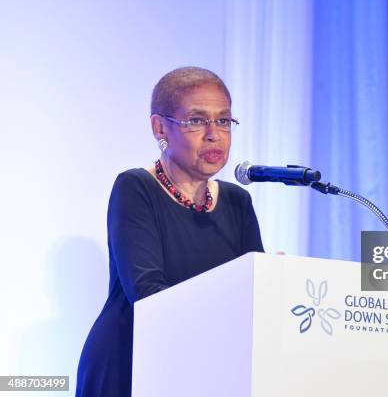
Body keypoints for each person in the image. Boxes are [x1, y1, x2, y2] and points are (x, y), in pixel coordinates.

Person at [76, 67, 264, 396]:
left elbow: (254, 306)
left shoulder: (237, 202)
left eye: (223, 120)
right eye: (196, 120)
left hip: (206, 370)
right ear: (160, 127)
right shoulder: (136, 187)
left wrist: (270, 283)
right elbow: (150, 295)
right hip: (131, 366)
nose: (214, 134)